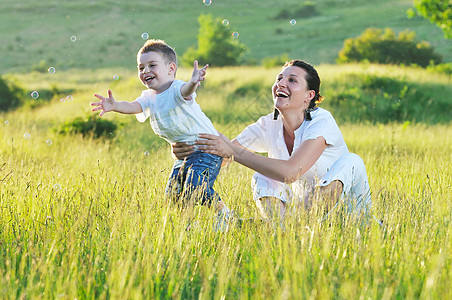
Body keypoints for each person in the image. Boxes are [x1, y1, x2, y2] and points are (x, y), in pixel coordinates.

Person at [172, 60, 371, 222]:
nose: (281, 84)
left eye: (292, 80)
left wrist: (233, 151)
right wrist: (188, 148)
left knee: (351, 161)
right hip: (305, 220)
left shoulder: (321, 121)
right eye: (279, 78)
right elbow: (223, 154)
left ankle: (292, 224)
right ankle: (283, 232)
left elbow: (292, 172)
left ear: (309, 96)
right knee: (263, 176)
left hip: (349, 216)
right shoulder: (269, 124)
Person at [91, 39, 230, 223]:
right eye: (141, 68)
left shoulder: (176, 89)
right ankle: (187, 226)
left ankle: (223, 212)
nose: (145, 71)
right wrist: (115, 105)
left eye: (152, 65)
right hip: (185, 155)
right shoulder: (149, 97)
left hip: (206, 150)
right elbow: (133, 106)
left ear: (171, 69)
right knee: (173, 194)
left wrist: (193, 82)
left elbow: (186, 92)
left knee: (195, 187)